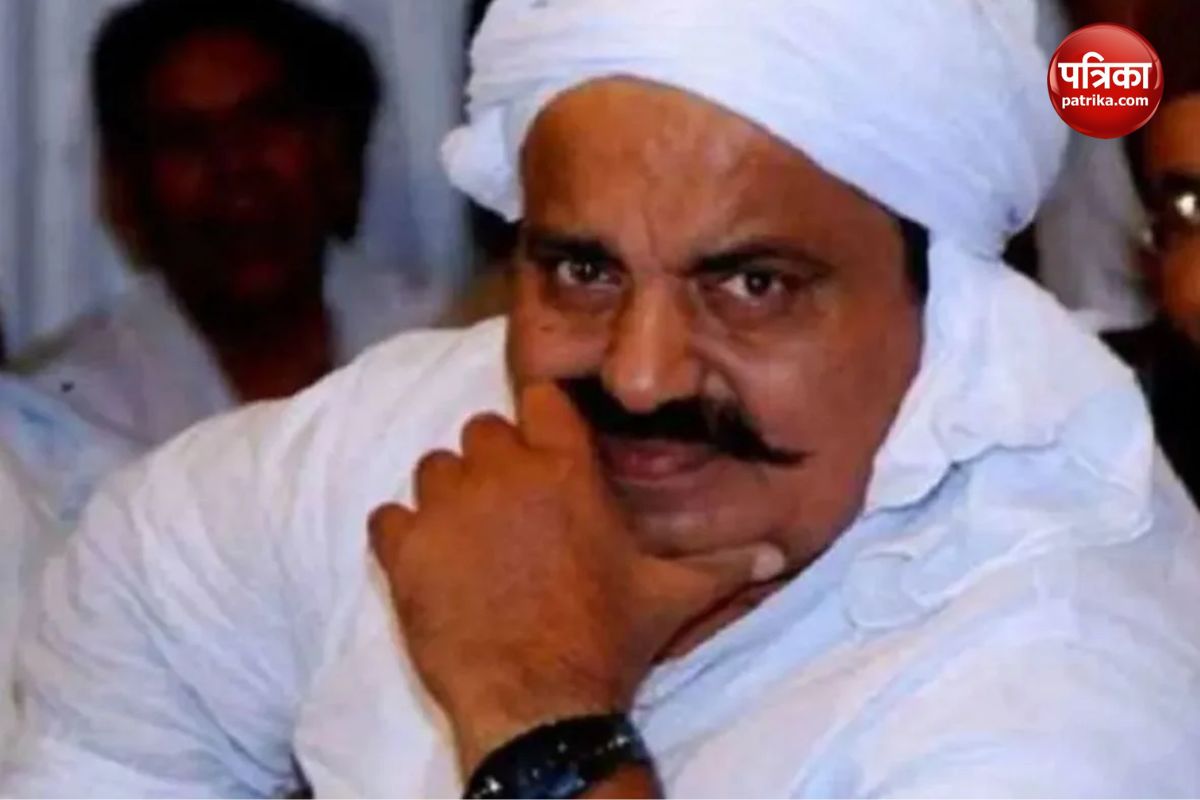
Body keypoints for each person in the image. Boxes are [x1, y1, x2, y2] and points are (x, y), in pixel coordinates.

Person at [6, 1, 1200, 796]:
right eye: (583, 270)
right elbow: (141, 596)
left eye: (751, 283)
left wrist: (540, 710)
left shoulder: (1065, 677)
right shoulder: (427, 432)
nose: (638, 374)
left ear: (941, 311)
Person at [20, 0, 445, 448]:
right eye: (187, 138)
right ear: (126, 185)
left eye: (266, 121)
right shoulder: (68, 416)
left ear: (331, 149)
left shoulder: (443, 341)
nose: (235, 167)